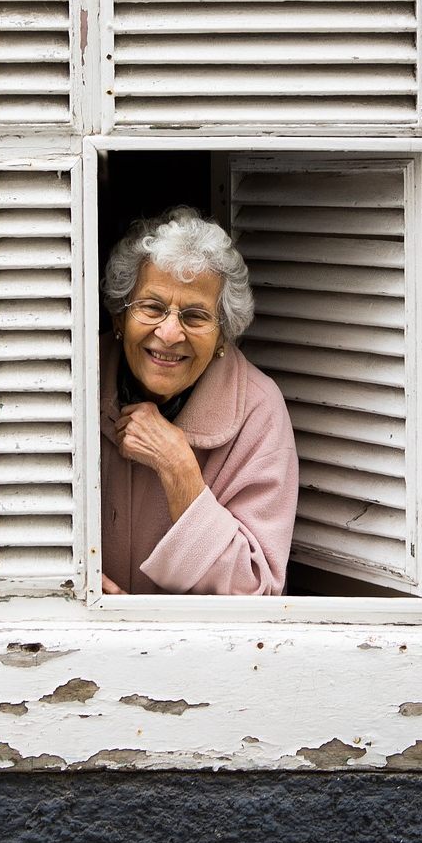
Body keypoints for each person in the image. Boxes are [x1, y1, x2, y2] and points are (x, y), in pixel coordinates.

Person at [99, 207, 299, 595]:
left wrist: (179, 469)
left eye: (195, 316)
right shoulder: (70, 381)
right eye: (152, 308)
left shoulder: (258, 412)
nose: (170, 333)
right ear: (120, 319)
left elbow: (255, 592)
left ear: (223, 336)